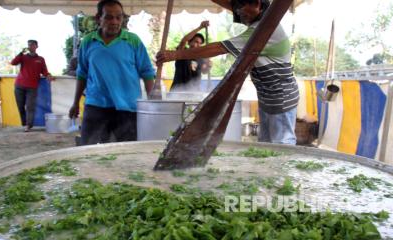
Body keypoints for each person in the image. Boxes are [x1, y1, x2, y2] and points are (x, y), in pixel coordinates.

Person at [157, 0, 299, 144]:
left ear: (256, 3)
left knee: (282, 144)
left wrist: (173, 55)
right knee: (267, 144)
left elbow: (219, 47)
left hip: (281, 98)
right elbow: (233, 6)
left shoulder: (264, 31)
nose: (238, 12)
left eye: (241, 6)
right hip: (268, 97)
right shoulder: (260, 20)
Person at [68, 0, 155, 145]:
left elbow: (147, 72)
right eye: (108, 17)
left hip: (128, 108)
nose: (114, 21)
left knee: (127, 152)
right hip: (95, 106)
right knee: (87, 151)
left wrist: (152, 105)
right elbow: (82, 73)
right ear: (98, 18)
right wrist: (76, 102)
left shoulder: (133, 41)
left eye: (118, 17)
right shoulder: (88, 42)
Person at [11, 39, 53, 132]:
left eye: (32, 45)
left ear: (36, 46)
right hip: (19, 85)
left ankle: (28, 125)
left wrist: (48, 75)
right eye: (29, 45)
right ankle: (24, 123)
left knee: (30, 106)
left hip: (32, 87)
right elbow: (13, 63)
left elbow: (44, 71)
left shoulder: (40, 59)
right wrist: (20, 53)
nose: (30, 46)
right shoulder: (23, 57)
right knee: (20, 105)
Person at [170, 21, 212, 92]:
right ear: (189, 42)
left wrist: (209, 65)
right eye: (196, 42)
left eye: (200, 43)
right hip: (178, 91)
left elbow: (204, 71)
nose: (198, 45)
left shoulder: (201, 58)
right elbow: (183, 41)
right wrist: (200, 27)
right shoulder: (182, 52)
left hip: (195, 92)